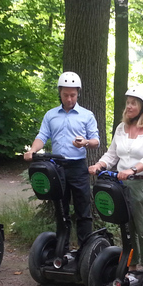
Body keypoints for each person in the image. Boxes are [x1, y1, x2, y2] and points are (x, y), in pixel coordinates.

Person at [88, 86, 143, 272]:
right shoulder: (121, 128)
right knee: (128, 228)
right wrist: (99, 165)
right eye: (128, 102)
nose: (128, 106)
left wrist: (132, 169)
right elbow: (112, 154)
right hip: (122, 183)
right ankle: (132, 265)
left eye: (133, 103)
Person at [24, 72, 99, 248]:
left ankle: (85, 250)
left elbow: (96, 141)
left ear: (78, 93)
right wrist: (33, 150)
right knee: (60, 209)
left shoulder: (86, 115)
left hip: (78, 167)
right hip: (56, 167)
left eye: (73, 95)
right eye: (66, 95)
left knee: (83, 210)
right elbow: (42, 136)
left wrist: (85, 143)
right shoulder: (51, 115)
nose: (69, 99)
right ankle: (61, 248)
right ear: (60, 92)